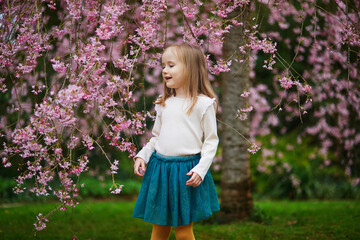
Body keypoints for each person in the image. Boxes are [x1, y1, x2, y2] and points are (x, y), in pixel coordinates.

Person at [133, 43, 220, 240]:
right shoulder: (163, 103)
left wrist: (200, 169)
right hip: (160, 170)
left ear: (190, 69)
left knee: (183, 231)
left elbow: (211, 141)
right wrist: (142, 155)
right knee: (159, 229)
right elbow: (156, 137)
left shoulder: (203, 104)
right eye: (163, 65)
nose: (164, 70)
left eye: (171, 65)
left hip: (186, 172)